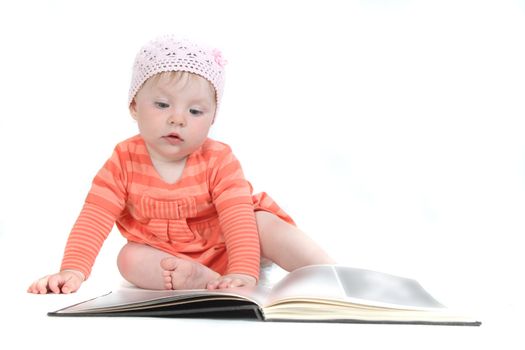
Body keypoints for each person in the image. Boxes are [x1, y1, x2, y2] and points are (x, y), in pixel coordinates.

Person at [27, 35, 334, 294]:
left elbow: (236, 217)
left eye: (196, 111)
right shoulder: (123, 160)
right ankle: (201, 280)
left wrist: (243, 271)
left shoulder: (218, 158)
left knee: (262, 222)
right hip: (172, 257)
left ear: (212, 118)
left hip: (237, 246)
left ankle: (327, 272)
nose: (178, 118)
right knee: (129, 258)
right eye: (162, 105)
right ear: (134, 105)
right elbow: (95, 216)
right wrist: (73, 269)